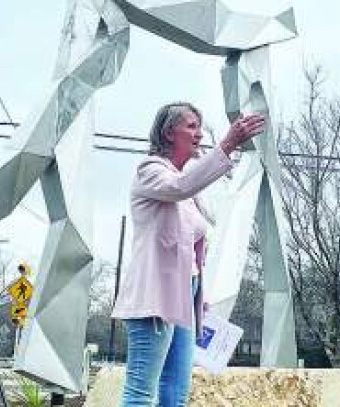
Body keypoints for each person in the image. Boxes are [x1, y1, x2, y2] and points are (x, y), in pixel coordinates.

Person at [111, 102, 266, 407]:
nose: (198, 133)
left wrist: (199, 295)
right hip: (154, 300)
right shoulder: (151, 171)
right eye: (191, 126)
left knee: (175, 393)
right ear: (169, 133)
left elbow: (194, 236)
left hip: (184, 298)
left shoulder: (191, 188)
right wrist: (227, 145)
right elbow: (179, 187)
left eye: (199, 126)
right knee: (141, 393)